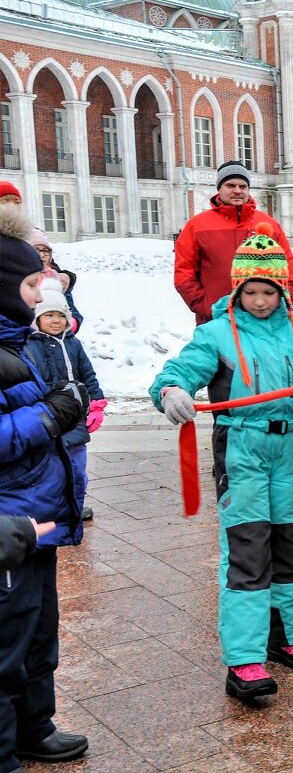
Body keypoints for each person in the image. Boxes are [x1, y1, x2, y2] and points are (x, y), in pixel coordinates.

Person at [150, 230, 293, 701]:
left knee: (290, 547)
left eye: (269, 291)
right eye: (251, 292)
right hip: (241, 450)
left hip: (291, 452)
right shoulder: (215, 332)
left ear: (283, 290)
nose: (260, 301)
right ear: (236, 291)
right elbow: (179, 372)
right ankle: (243, 659)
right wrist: (171, 391)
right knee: (246, 553)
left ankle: (284, 638)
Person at [0, 204, 91, 771]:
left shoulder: (18, 345)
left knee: (38, 632)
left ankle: (35, 726)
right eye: (31, 283)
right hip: (7, 520)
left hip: (35, 516)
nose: (41, 294)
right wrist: (53, 418)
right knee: (6, 642)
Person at [174, 160, 293, 324]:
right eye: (230, 185)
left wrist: (282, 300)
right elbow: (184, 272)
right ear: (219, 188)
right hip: (216, 319)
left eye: (243, 186)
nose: (237, 191)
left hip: (264, 318)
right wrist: (205, 306)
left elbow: (287, 265)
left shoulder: (268, 224)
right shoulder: (197, 225)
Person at [25, 284, 106, 523]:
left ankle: (75, 505)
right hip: (47, 416)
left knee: (77, 465)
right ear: (37, 318)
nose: (56, 321)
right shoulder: (29, 345)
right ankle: (48, 508)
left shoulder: (73, 343)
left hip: (75, 417)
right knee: (49, 467)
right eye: (49, 315)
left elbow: (87, 374)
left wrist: (97, 402)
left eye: (61, 315)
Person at [28, 231, 83, 331]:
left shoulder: (56, 277)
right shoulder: (19, 277)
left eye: (46, 250)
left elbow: (71, 308)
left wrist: (70, 325)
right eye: (36, 250)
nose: (42, 255)